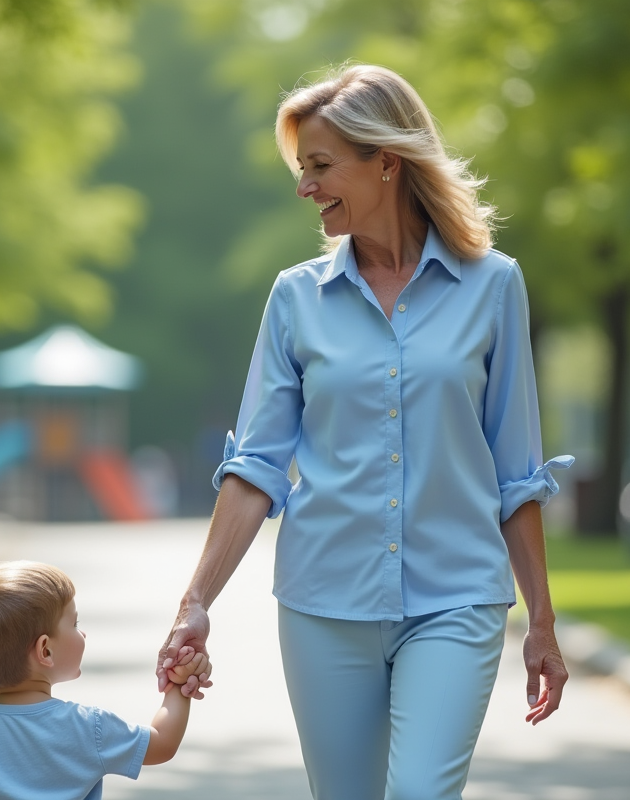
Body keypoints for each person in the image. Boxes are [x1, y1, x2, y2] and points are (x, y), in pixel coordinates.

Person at [156, 63, 575, 800]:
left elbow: (517, 472)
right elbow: (256, 467)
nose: (304, 187)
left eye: (320, 166)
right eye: (301, 168)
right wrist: (196, 602)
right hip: (324, 603)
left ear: (387, 161)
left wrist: (541, 620)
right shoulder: (296, 299)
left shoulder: (494, 285)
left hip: (457, 597)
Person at [0, 561, 210, 800]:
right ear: (45, 650)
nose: (82, 634)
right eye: (75, 623)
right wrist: (178, 686)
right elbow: (162, 744)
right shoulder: (89, 726)